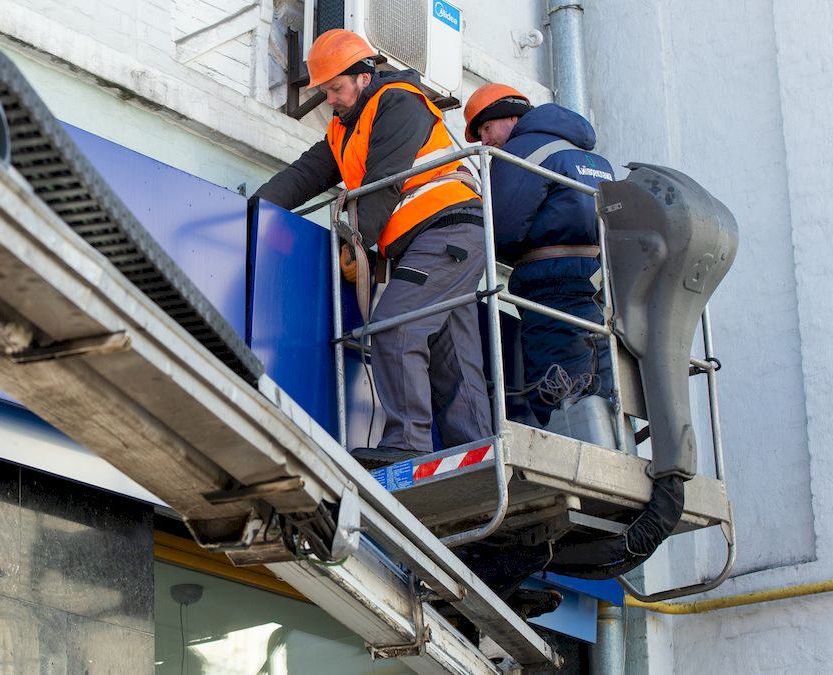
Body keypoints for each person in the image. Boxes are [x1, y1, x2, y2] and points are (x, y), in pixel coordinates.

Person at [254, 29, 491, 467]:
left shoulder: (398, 102)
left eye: (335, 88)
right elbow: (305, 175)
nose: (330, 99)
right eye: (324, 90)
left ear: (363, 77)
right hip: (440, 241)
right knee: (453, 358)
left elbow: (384, 182)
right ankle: (475, 456)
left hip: (447, 229)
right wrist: (255, 208)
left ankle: (407, 444)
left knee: (394, 326)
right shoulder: (343, 129)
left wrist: (358, 242)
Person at [463, 84, 616, 426]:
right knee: (599, 378)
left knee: (557, 384)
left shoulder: (521, 151)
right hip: (598, 279)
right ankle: (608, 444)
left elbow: (500, 228)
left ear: (512, 118)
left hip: (550, 283)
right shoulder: (591, 158)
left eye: (486, 129)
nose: (485, 141)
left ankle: (577, 450)